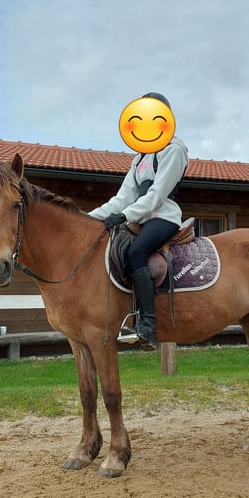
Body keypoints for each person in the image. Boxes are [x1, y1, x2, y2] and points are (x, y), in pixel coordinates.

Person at [89, 92, 188, 350]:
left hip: (163, 216)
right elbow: (121, 198)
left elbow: (156, 196)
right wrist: (86, 219)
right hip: (139, 217)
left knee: (136, 252)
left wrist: (125, 215)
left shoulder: (174, 149)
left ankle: (148, 326)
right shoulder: (139, 159)